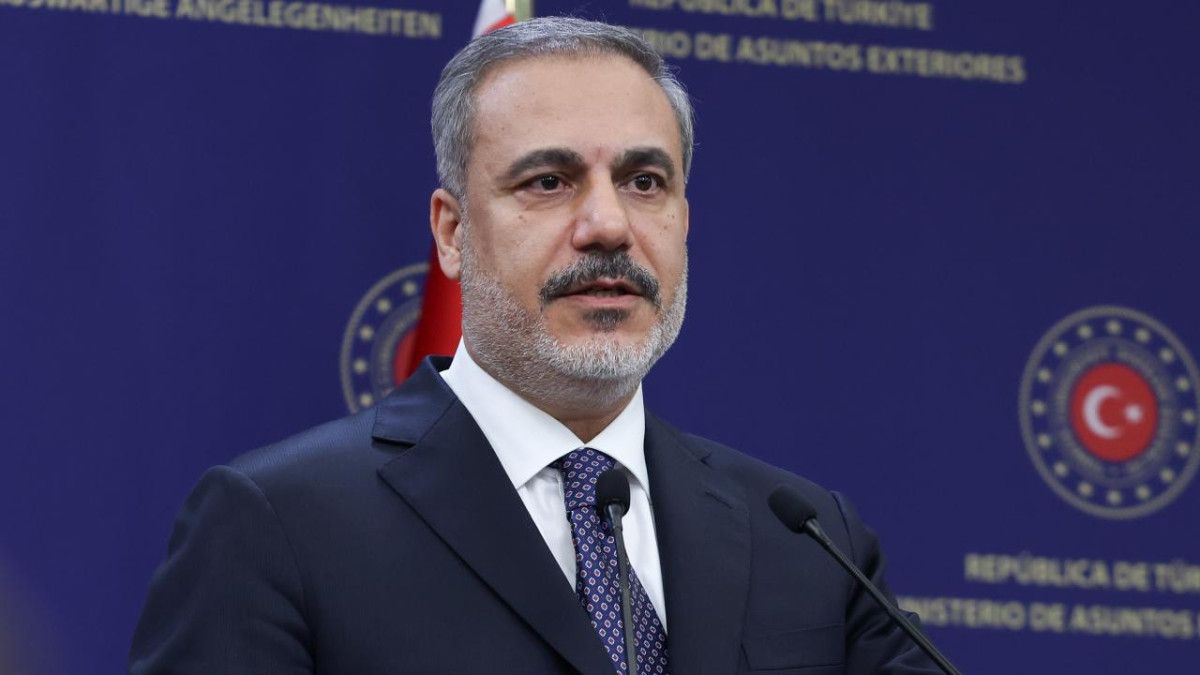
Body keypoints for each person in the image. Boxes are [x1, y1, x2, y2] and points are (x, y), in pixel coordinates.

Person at [130, 17, 940, 674]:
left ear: (684, 222)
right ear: (452, 232)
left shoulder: (806, 537)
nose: (609, 225)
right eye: (548, 181)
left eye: (645, 182)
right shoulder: (278, 525)